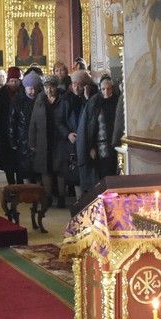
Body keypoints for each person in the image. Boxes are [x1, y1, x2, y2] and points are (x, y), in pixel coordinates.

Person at [28, 75, 71, 218]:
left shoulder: (63, 99)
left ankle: (61, 197)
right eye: (46, 87)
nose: (49, 90)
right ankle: (47, 197)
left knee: (60, 169)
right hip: (43, 140)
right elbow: (33, 121)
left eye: (51, 87)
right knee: (45, 169)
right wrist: (32, 141)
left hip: (59, 139)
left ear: (56, 87)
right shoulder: (40, 100)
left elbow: (68, 119)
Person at [78, 75, 121, 196]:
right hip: (100, 146)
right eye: (103, 89)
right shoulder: (94, 102)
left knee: (114, 173)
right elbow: (90, 128)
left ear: (112, 88)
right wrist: (91, 147)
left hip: (115, 145)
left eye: (109, 89)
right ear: (99, 88)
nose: (106, 92)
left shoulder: (117, 101)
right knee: (101, 176)